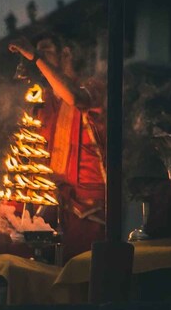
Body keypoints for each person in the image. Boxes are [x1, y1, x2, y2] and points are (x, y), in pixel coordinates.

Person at [9, 32, 106, 260]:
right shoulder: (45, 100)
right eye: (39, 51)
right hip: (52, 206)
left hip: (89, 211)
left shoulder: (94, 88)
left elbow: (75, 98)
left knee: (81, 273)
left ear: (66, 54)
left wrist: (36, 57)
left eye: (46, 50)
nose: (39, 58)